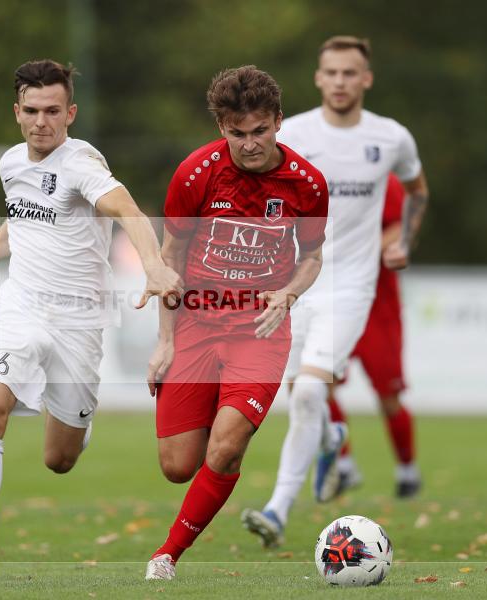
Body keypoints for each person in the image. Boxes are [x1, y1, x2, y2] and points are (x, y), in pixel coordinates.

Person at [0, 59, 182, 577]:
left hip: (79, 322)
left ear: (70, 113)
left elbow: (129, 213)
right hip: (19, 306)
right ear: (16, 112)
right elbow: (22, 227)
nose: (41, 121)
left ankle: (72, 424)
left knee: (59, 459)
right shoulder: (10, 164)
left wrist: (154, 267)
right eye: (31, 110)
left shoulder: (82, 164)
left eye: (51, 111)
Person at [143, 65, 330, 580]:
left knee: (225, 446)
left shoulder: (308, 184)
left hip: (260, 331)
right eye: (237, 134)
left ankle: (166, 556)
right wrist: (164, 341)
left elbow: (312, 258)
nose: (249, 145)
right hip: (196, 327)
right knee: (179, 466)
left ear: (278, 122)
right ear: (221, 127)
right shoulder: (195, 174)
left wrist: (288, 294)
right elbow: (170, 257)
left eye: (260, 132)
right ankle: (219, 447)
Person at [242, 35, 429, 548]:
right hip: (291, 284)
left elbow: (417, 191)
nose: (341, 82)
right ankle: (330, 437)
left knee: (308, 390)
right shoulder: (293, 134)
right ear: (319, 78)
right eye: (332, 73)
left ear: (365, 79)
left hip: (351, 286)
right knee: (296, 393)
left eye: (351, 73)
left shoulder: (390, 138)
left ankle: (278, 509)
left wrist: (403, 240)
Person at [326, 174, 421, 499]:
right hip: (332, 306)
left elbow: (400, 226)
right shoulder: (311, 173)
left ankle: (408, 470)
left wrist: (357, 251)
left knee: (388, 398)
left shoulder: (381, 177)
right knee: (318, 386)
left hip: (376, 309)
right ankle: (345, 465)